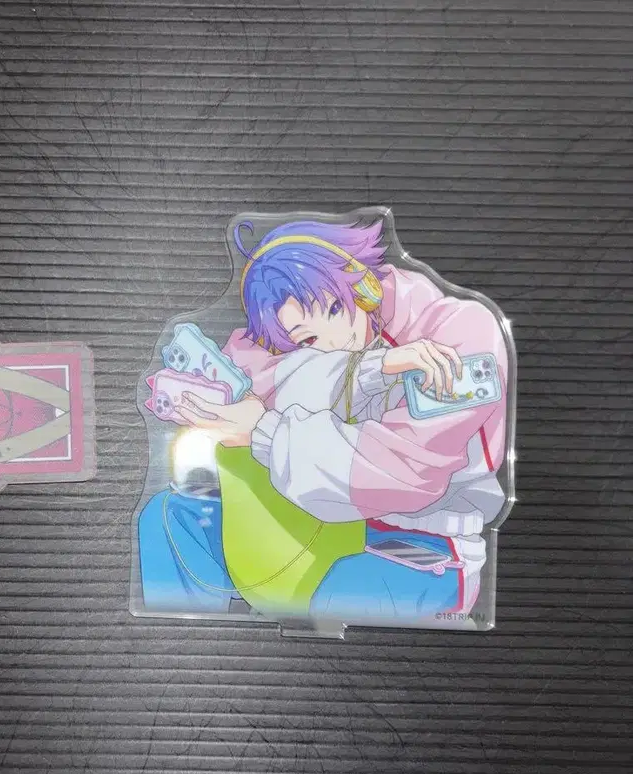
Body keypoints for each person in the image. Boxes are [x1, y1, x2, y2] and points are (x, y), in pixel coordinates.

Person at [138, 218, 508, 626]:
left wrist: (263, 430)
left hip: (425, 544)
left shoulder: (462, 335)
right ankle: (182, 649)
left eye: (333, 309)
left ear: (364, 287)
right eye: (307, 341)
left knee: (340, 595)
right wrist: (371, 367)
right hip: (316, 525)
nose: (335, 340)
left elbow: (403, 474)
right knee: (170, 519)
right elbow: (253, 369)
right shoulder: (301, 334)